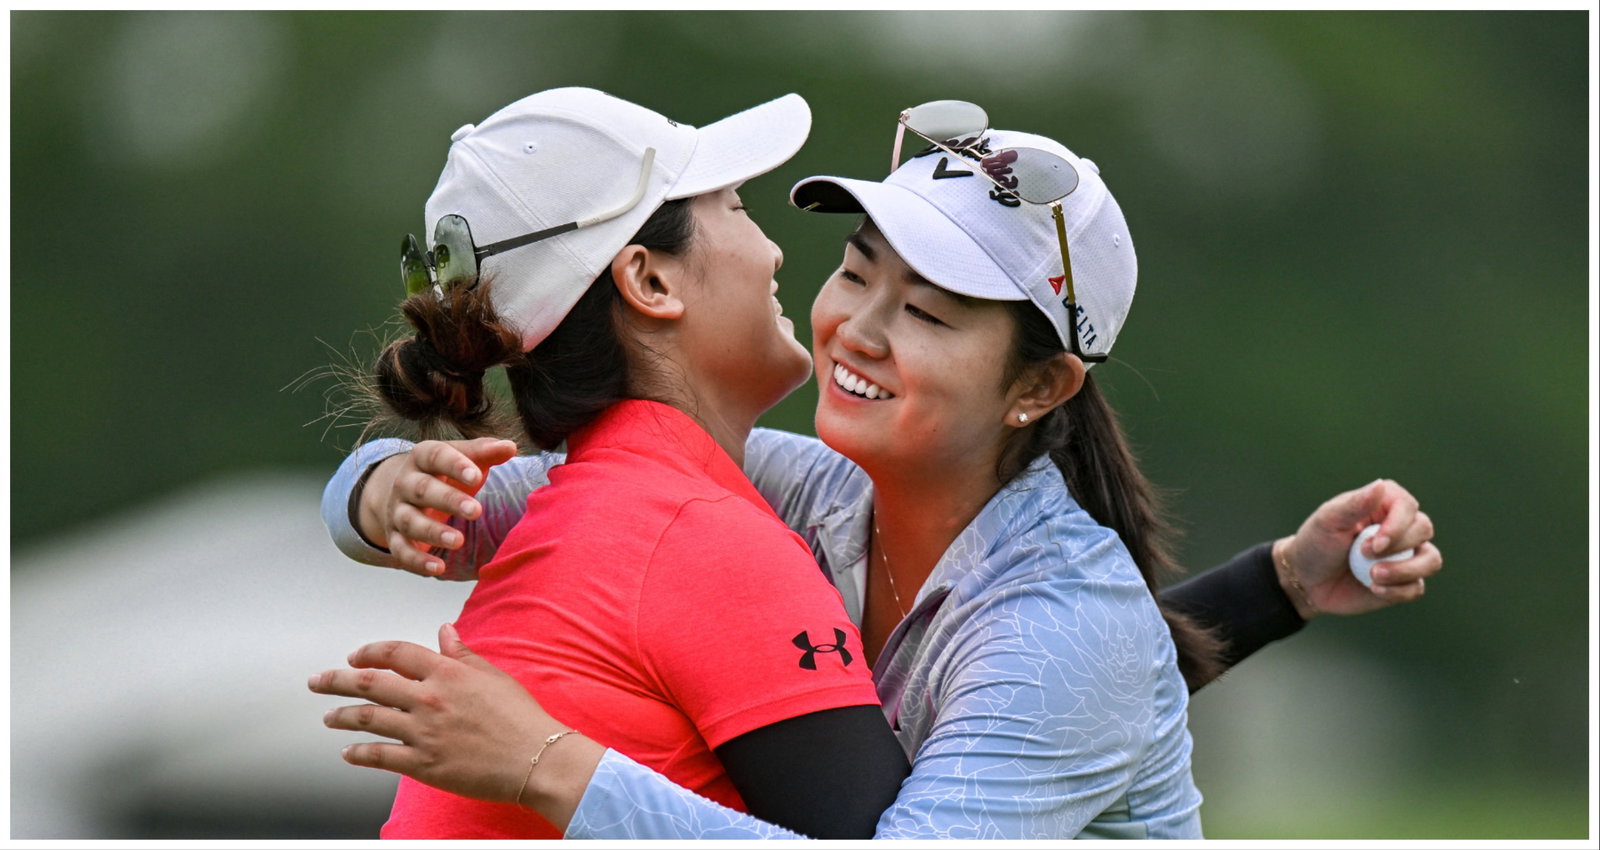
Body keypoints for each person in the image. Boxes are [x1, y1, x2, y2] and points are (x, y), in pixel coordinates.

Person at [310, 101, 1441, 839]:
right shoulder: (796, 487)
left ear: (1037, 389)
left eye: (931, 315)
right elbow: (478, 511)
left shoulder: (1067, 628)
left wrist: (549, 763)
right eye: (857, 273)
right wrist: (372, 492)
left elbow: (1060, 664)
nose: (857, 328)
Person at [336, 86, 919, 840]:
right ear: (649, 281)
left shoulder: (600, 511)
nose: (773, 250)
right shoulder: (697, 534)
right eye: (737, 209)